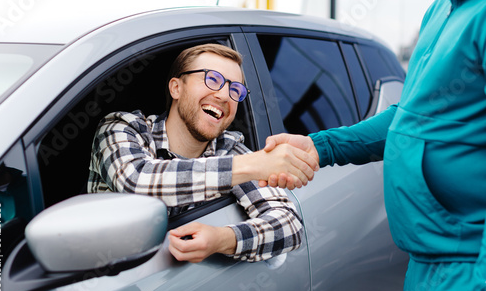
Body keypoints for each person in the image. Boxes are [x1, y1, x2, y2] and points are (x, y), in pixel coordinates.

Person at [262, 0, 486, 291]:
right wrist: (319, 147)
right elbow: (409, 117)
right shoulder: (440, 7)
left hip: (469, 275)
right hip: (425, 265)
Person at [88, 43, 318, 263]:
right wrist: (254, 165)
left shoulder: (229, 150)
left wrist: (223, 239)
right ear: (176, 87)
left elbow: (290, 224)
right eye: (213, 79)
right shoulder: (121, 128)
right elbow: (136, 181)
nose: (225, 96)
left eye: (235, 89)